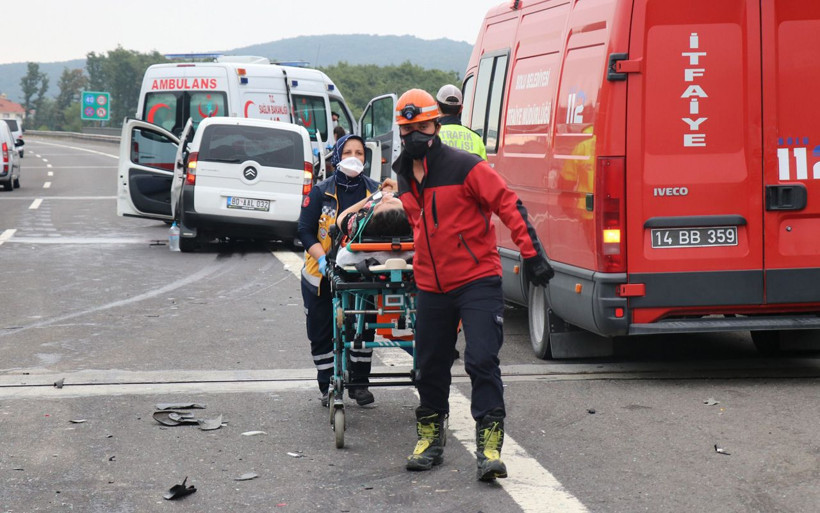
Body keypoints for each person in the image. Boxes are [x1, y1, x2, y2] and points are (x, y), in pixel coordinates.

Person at [392, 89, 553, 481]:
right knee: (429, 365)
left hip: (476, 279)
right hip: (431, 284)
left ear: (436, 126)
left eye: (423, 126)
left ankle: (489, 447)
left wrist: (532, 255)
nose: (416, 134)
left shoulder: (465, 167)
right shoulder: (401, 175)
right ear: (400, 131)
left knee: (482, 360)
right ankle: (430, 441)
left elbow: (508, 203)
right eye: (408, 128)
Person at [298, 134, 384, 408]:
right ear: (337, 156)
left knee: (361, 329)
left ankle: (359, 384)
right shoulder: (320, 192)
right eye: (348, 151)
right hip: (321, 274)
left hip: (361, 272)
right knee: (322, 331)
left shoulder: (375, 192)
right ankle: (327, 384)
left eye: (359, 152)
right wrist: (322, 260)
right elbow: (304, 230)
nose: (354, 157)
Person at [435, 84, 487, 160]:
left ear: (437, 106)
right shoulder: (476, 139)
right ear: (461, 109)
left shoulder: (432, 136)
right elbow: (483, 169)